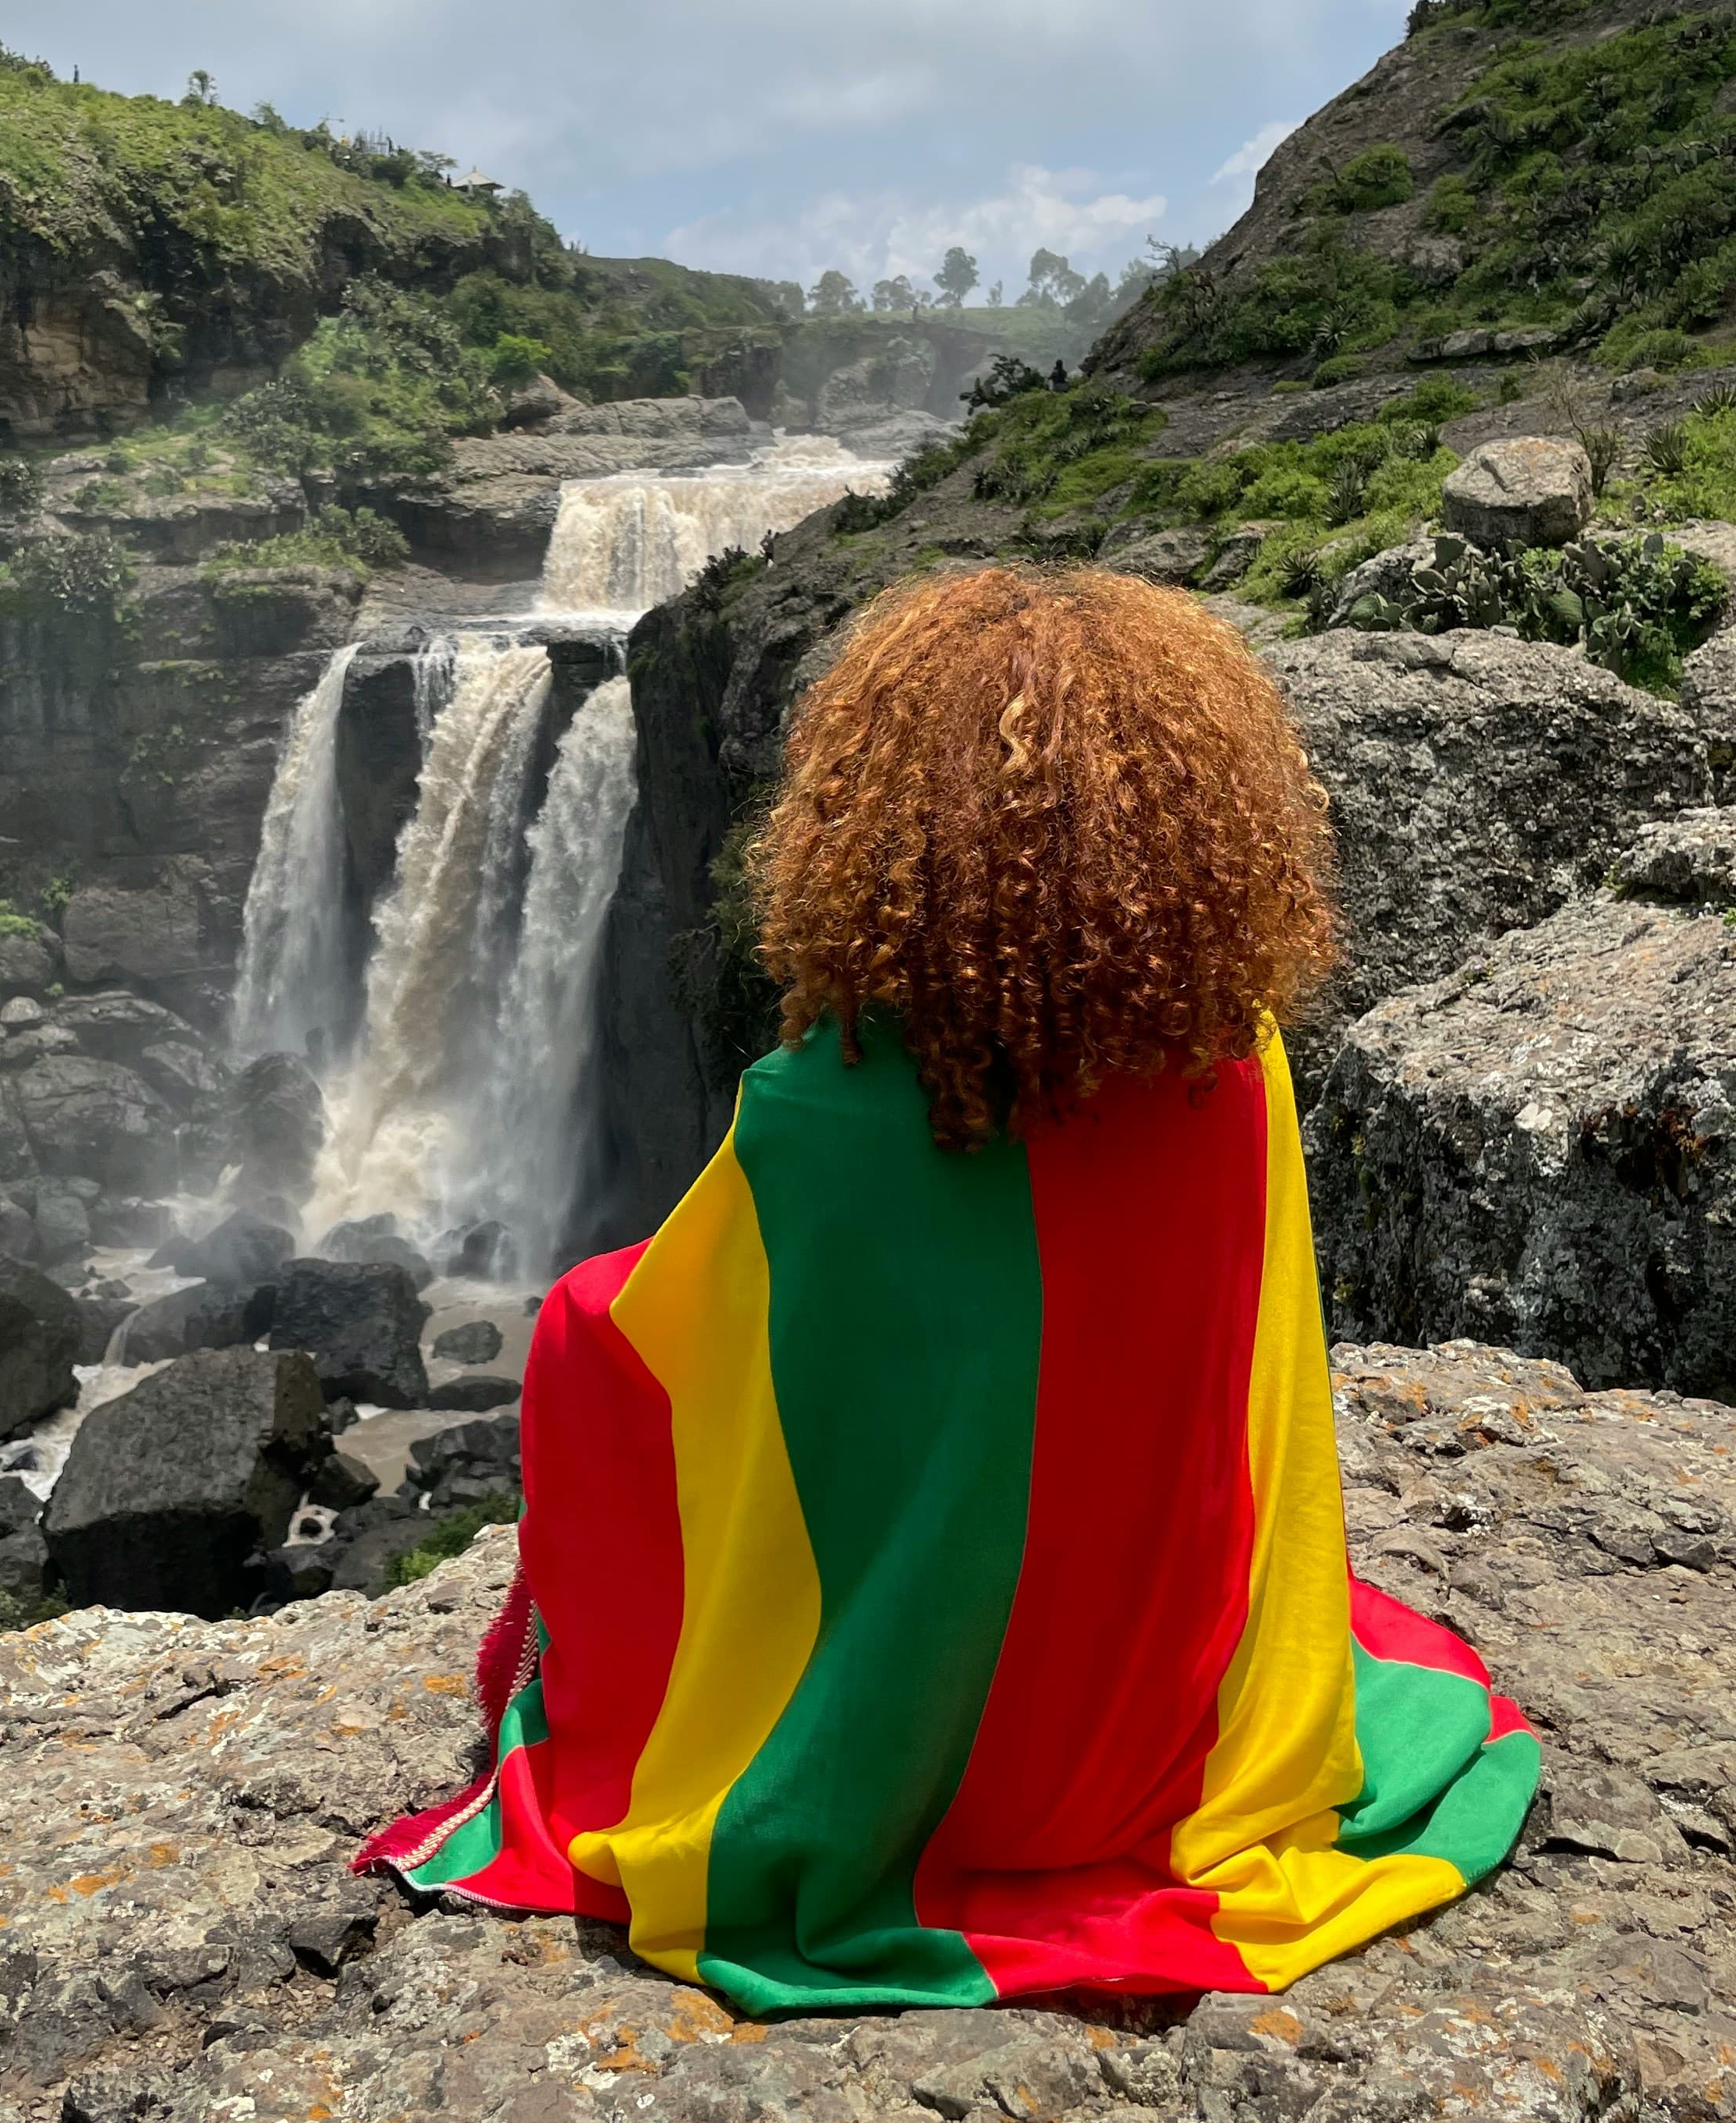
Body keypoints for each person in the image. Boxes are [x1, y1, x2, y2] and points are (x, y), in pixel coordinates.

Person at [361, 569, 1537, 2015]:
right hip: (1156, 1743)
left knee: (579, 1327)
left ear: (882, 831)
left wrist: (578, 1318)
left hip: (908, 1786)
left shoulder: (827, 1113)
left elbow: (677, 1341)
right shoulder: (1235, 1072)